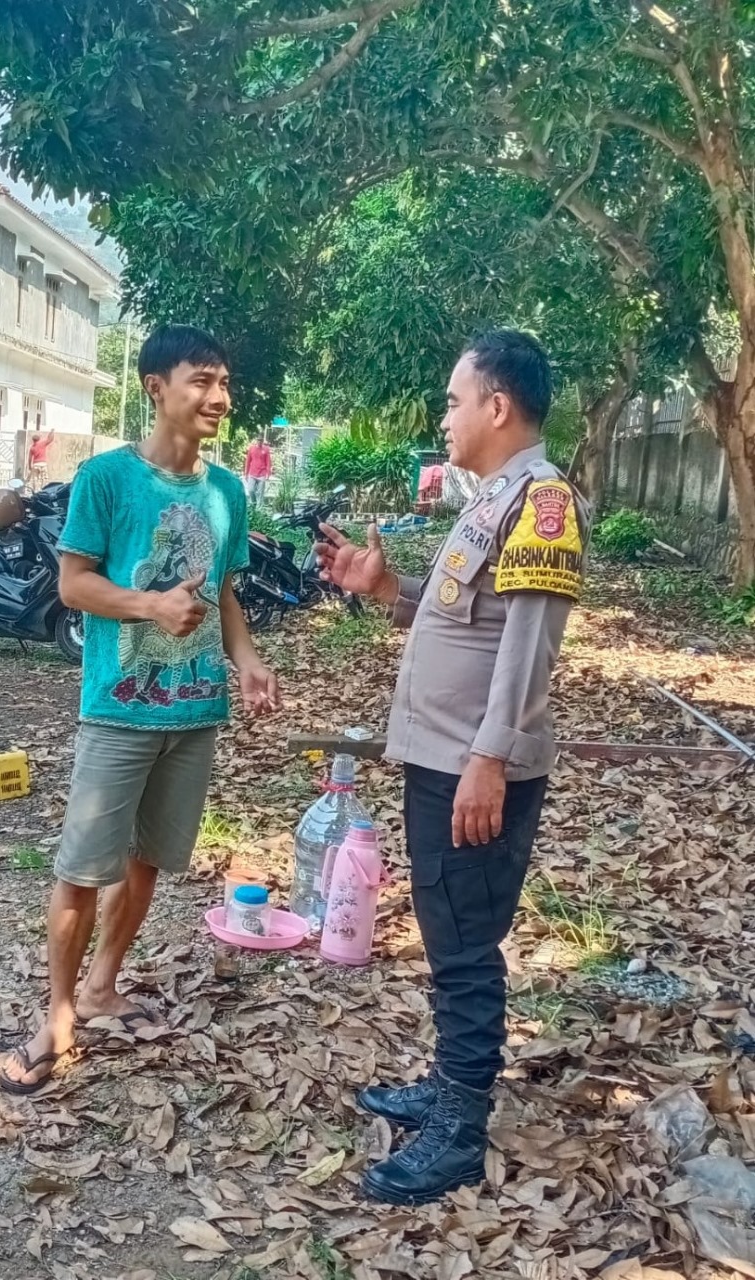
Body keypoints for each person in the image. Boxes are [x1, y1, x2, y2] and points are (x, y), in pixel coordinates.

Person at [316, 329, 590, 1206]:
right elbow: (464, 619)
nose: (443, 417)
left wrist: (488, 758)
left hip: (472, 764)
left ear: (496, 406)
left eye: (452, 400)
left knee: (465, 944)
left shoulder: (542, 501)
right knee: (448, 931)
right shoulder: (491, 500)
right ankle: (447, 1084)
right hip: (444, 758)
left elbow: (527, 645)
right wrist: (383, 590)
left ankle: (460, 1132)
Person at [0, 324, 280, 1094]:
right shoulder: (105, 480)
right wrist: (149, 605)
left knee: (147, 858)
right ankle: (57, 1016)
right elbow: (73, 585)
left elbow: (223, 594)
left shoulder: (226, 492)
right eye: (202, 381)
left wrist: (248, 661)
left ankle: (101, 987)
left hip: (193, 712)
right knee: (81, 868)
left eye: (224, 383)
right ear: (156, 388)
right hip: (118, 711)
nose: (219, 397)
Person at [244, 431, 272, 505]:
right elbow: (247, 461)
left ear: (263, 441)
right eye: (258, 440)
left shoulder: (266, 449)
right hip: (252, 473)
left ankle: (259, 508)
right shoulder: (251, 448)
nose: (259, 441)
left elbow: (268, 462)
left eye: (261, 440)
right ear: (256, 440)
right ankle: (254, 503)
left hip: (262, 474)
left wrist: (268, 474)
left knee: (260, 493)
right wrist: (246, 473)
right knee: (250, 490)